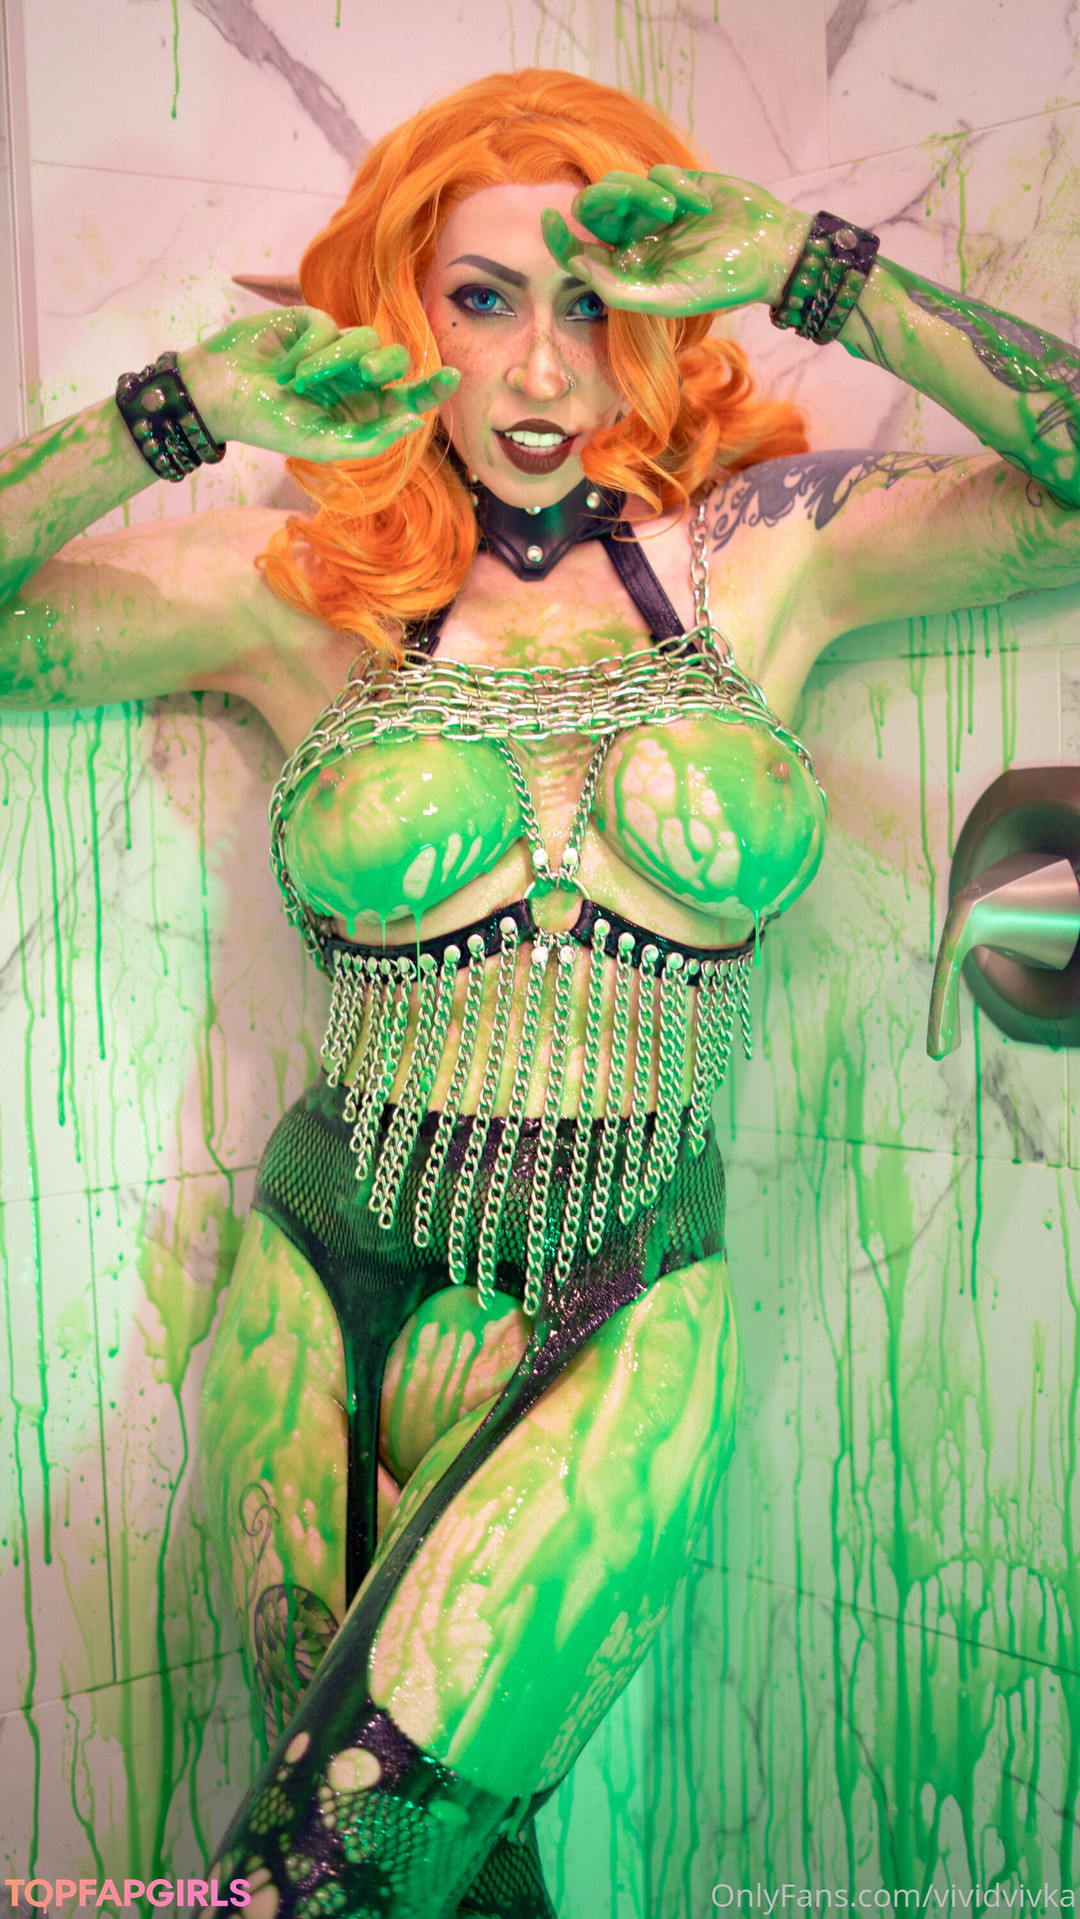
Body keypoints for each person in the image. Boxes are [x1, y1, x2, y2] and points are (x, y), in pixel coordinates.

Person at [2, 62, 1079, 1919]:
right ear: (404, 310)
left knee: (333, 1866)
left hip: (627, 1273)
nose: (542, 372)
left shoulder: (763, 562)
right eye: (484, 299)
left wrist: (814, 265)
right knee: (446, 1877)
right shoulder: (308, 588)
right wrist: (176, 413)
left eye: (589, 303)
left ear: (656, 314)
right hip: (328, 1268)